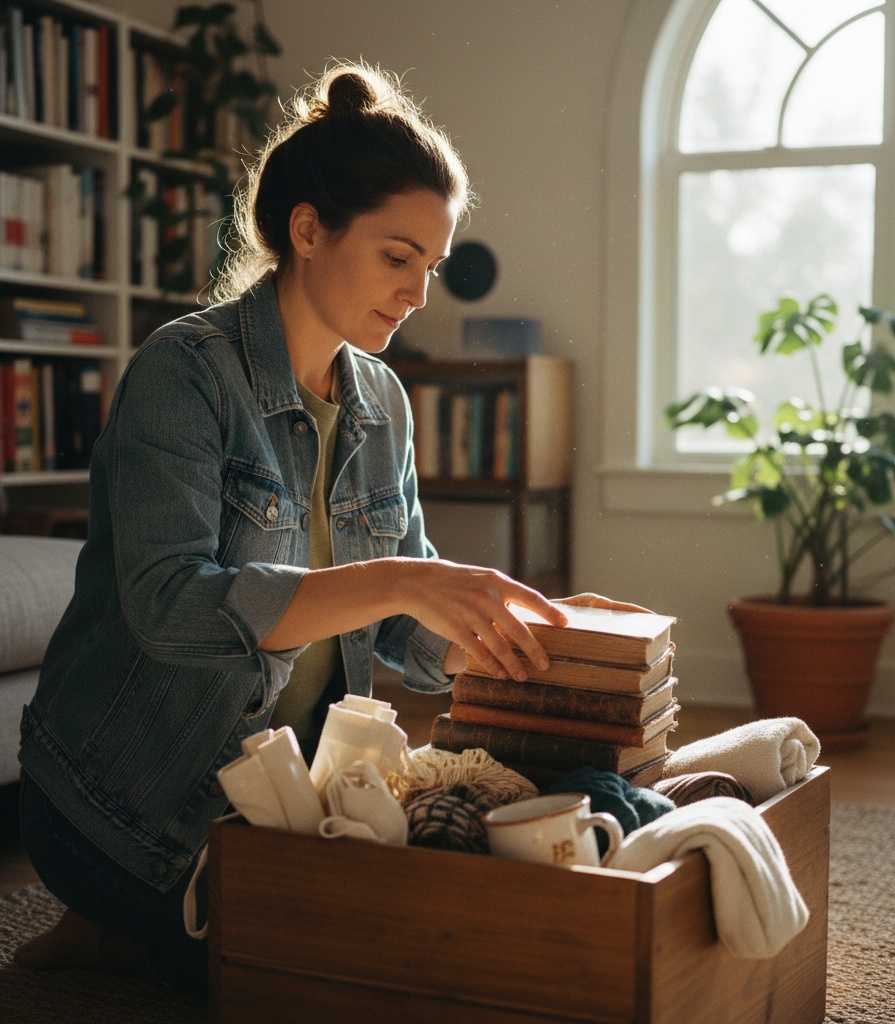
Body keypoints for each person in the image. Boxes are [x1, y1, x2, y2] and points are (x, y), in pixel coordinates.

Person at [14, 60, 572, 998]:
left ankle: (139, 935)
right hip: (118, 806)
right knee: (346, 975)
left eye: (431, 268)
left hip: (285, 796)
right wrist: (401, 580)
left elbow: (404, 626)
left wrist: (533, 636)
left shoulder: (382, 400)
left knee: (485, 910)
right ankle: (104, 931)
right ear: (308, 231)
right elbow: (169, 606)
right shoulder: (184, 373)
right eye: (397, 258)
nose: (419, 293)